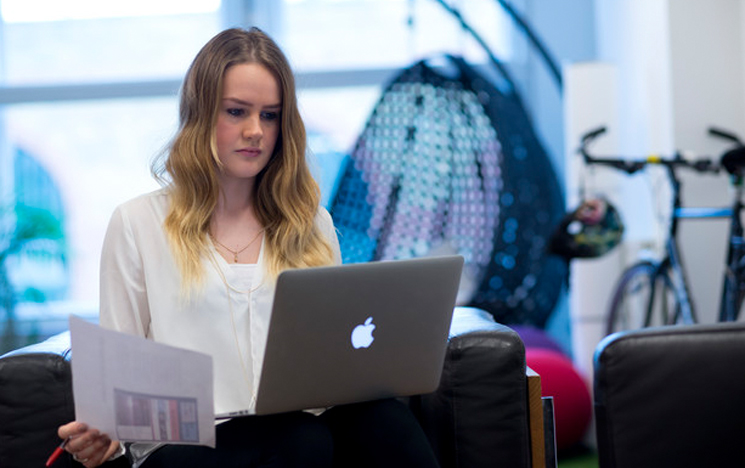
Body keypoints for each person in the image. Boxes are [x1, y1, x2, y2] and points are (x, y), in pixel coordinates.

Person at [56, 27, 440, 468]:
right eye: (237, 112)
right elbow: (117, 379)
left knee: (384, 421)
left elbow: (338, 356)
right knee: (303, 440)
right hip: (189, 445)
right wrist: (104, 435)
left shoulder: (311, 222)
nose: (256, 131)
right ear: (201, 115)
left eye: (271, 115)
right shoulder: (137, 223)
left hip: (298, 422)